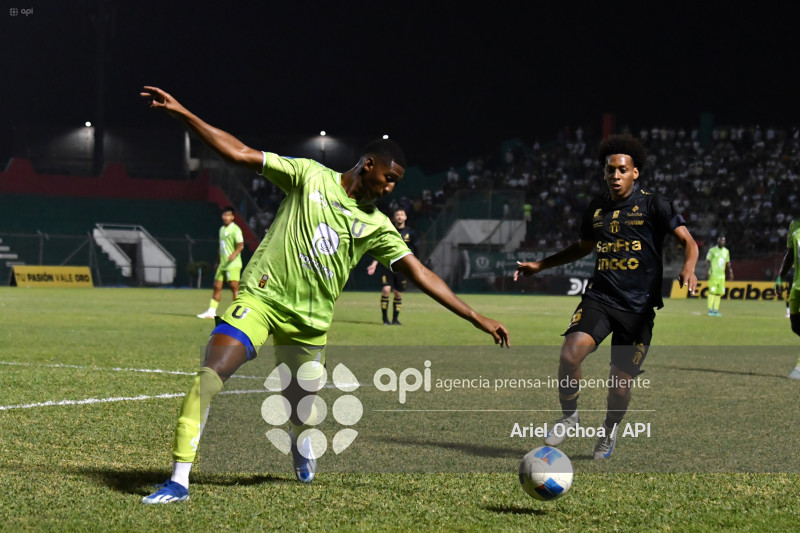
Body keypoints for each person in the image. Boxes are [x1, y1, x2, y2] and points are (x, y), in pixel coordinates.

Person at [139, 86, 510, 503]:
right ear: (369, 164)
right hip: (261, 301)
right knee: (209, 376)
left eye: (396, 183)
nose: (391, 189)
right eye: (389, 178)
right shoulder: (308, 175)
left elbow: (421, 273)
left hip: (309, 324)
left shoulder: (377, 225)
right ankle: (179, 480)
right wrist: (185, 113)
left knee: (299, 409)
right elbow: (241, 153)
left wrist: (478, 318)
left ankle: (301, 443)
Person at [514, 134, 698, 460]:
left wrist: (689, 267)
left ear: (635, 173)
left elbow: (689, 242)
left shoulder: (655, 205)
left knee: (619, 387)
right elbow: (582, 248)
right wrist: (540, 265)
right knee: (570, 355)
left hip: (638, 311)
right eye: (610, 170)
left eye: (622, 170)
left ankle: (609, 431)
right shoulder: (595, 209)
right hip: (600, 298)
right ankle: (570, 415)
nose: (615, 176)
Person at [366, 208, 416, 325]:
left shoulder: (410, 232)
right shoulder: (389, 230)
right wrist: (374, 263)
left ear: (405, 217)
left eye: (402, 215)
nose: (399, 217)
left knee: (398, 293)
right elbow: (381, 248)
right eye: (397, 215)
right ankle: (385, 319)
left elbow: (415, 250)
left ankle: (395, 320)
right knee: (386, 290)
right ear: (393, 218)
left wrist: (415, 265)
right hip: (387, 265)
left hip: (402, 268)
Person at [197, 206, 245, 319]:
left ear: (232, 217)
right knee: (217, 286)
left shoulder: (235, 229)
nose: (226, 217)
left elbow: (241, 245)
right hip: (222, 264)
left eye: (228, 215)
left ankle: (236, 312)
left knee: (234, 287)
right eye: (224, 215)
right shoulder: (222, 229)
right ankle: (211, 311)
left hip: (233, 264)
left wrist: (234, 254)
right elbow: (221, 247)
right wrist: (217, 261)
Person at [776, 217, 800, 379]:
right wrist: (780, 277)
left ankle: (799, 368)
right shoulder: (794, 224)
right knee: (795, 326)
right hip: (797, 285)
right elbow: (790, 254)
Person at [705, 235, 732, 316]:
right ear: (718, 241)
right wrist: (707, 272)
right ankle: (710, 310)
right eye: (721, 240)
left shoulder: (726, 251)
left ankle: (716, 310)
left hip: (722, 276)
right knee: (712, 292)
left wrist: (730, 272)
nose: (722, 242)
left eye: (723, 241)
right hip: (713, 275)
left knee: (718, 293)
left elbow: (728, 263)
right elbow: (708, 261)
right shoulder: (712, 250)